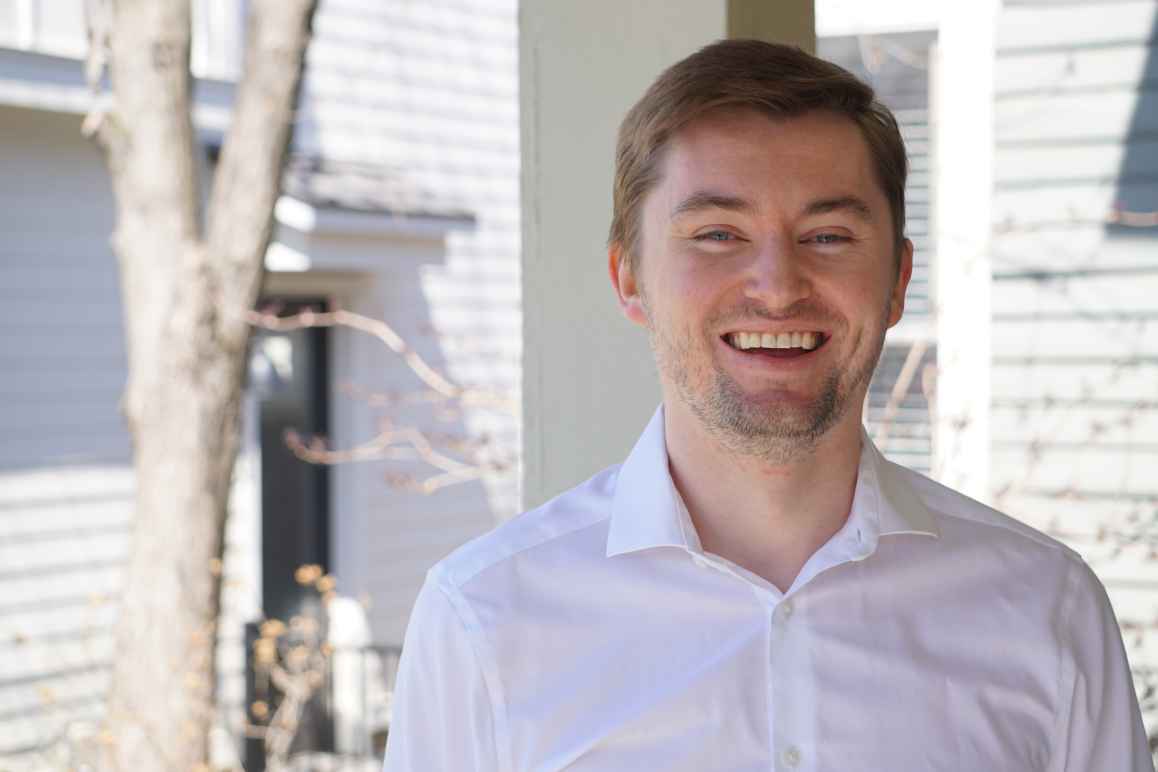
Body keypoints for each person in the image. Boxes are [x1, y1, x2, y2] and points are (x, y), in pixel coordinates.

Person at [382, 39, 1152, 771]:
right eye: (718, 233)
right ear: (628, 278)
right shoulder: (484, 618)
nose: (778, 287)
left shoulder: (1044, 610)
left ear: (897, 281)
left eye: (828, 235)